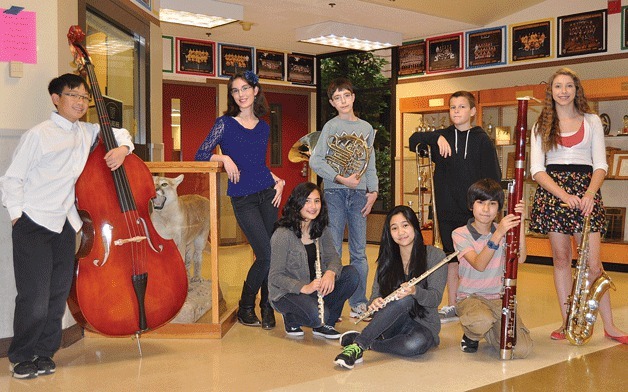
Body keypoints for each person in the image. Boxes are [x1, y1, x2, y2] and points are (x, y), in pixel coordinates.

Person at [0, 73, 134, 379]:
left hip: (64, 223)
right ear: (56, 99)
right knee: (33, 297)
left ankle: (44, 352)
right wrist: (18, 215)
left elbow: (122, 133)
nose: (81, 102)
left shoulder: (86, 132)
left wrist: (122, 150)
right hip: (33, 222)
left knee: (57, 294)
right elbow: (12, 179)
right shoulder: (39, 134)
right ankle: (20, 356)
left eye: (84, 97)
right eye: (73, 95)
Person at [529, 67, 627, 344]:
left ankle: (610, 326)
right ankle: (566, 322)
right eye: (558, 86)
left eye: (568, 86)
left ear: (576, 90)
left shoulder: (592, 120)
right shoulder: (541, 126)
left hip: (586, 194)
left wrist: (589, 194)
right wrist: (563, 195)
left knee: (594, 266)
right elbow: (537, 170)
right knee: (561, 261)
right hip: (553, 195)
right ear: (551, 91)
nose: (563, 91)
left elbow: (600, 164)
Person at [195, 71, 285, 330]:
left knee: (271, 253)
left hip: (268, 194)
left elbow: (258, 164)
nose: (241, 94)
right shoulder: (224, 123)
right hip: (242, 198)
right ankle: (246, 305)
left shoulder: (264, 126)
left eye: (245, 88)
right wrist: (223, 158)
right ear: (232, 96)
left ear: (255, 91)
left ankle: (266, 306)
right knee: (266, 254)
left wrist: (276, 179)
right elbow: (200, 154)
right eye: (235, 90)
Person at [409, 91, 501, 323]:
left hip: (475, 212)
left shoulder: (481, 140)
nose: (456, 111)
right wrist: (435, 139)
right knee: (451, 258)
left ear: (472, 111)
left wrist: (490, 208)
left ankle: (478, 299)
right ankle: (452, 304)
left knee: (475, 258)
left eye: (461, 107)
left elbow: (494, 178)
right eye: (452, 107)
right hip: (446, 207)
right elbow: (412, 140)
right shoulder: (443, 136)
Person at [334, 205, 447, 369]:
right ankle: (358, 346)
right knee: (404, 300)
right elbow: (375, 295)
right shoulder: (387, 261)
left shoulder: (435, 256)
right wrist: (375, 302)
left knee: (416, 344)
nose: (401, 232)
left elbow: (435, 299)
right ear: (389, 233)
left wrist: (415, 291)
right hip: (392, 324)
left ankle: (365, 342)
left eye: (405, 225)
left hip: (424, 324)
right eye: (394, 228)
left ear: (415, 226)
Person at [309, 77, 378, 321]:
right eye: (337, 98)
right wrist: (341, 178)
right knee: (334, 249)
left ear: (353, 97)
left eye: (346, 96)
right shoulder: (331, 127)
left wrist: (373, 191)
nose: (343, 101)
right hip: (335, 192)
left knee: (359, 251)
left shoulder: (367, 128)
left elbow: (369, 164)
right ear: (332, 102)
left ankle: (359, 302)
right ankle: (334, 302)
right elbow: (315, 161)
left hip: (359, 195)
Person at [452, 178, 533, 358]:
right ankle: (472, 335)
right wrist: (498, 233)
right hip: (470, 297)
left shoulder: (502, 229)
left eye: (492, 204)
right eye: (480, 203)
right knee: (481, 320)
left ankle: (489, 329)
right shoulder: (460, 233)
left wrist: (520, 223)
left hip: (498, 298)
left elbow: (521, 259)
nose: (487, 209)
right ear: (471, 206)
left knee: (521, 350)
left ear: (499, 208)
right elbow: (479, 264)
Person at [268, 182, 358, 339]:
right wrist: (304, 287)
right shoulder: (282, 234)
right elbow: (275, 277)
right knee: (316, 317)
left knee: (351, 274)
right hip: (288, 293)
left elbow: (334, 258)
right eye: (307, 201)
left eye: (317, 201)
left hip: (314, 290)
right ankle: (291, 318)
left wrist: (330, 273)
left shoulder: (320, 229)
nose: (313, 206)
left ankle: (326, 324)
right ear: (297, 203)